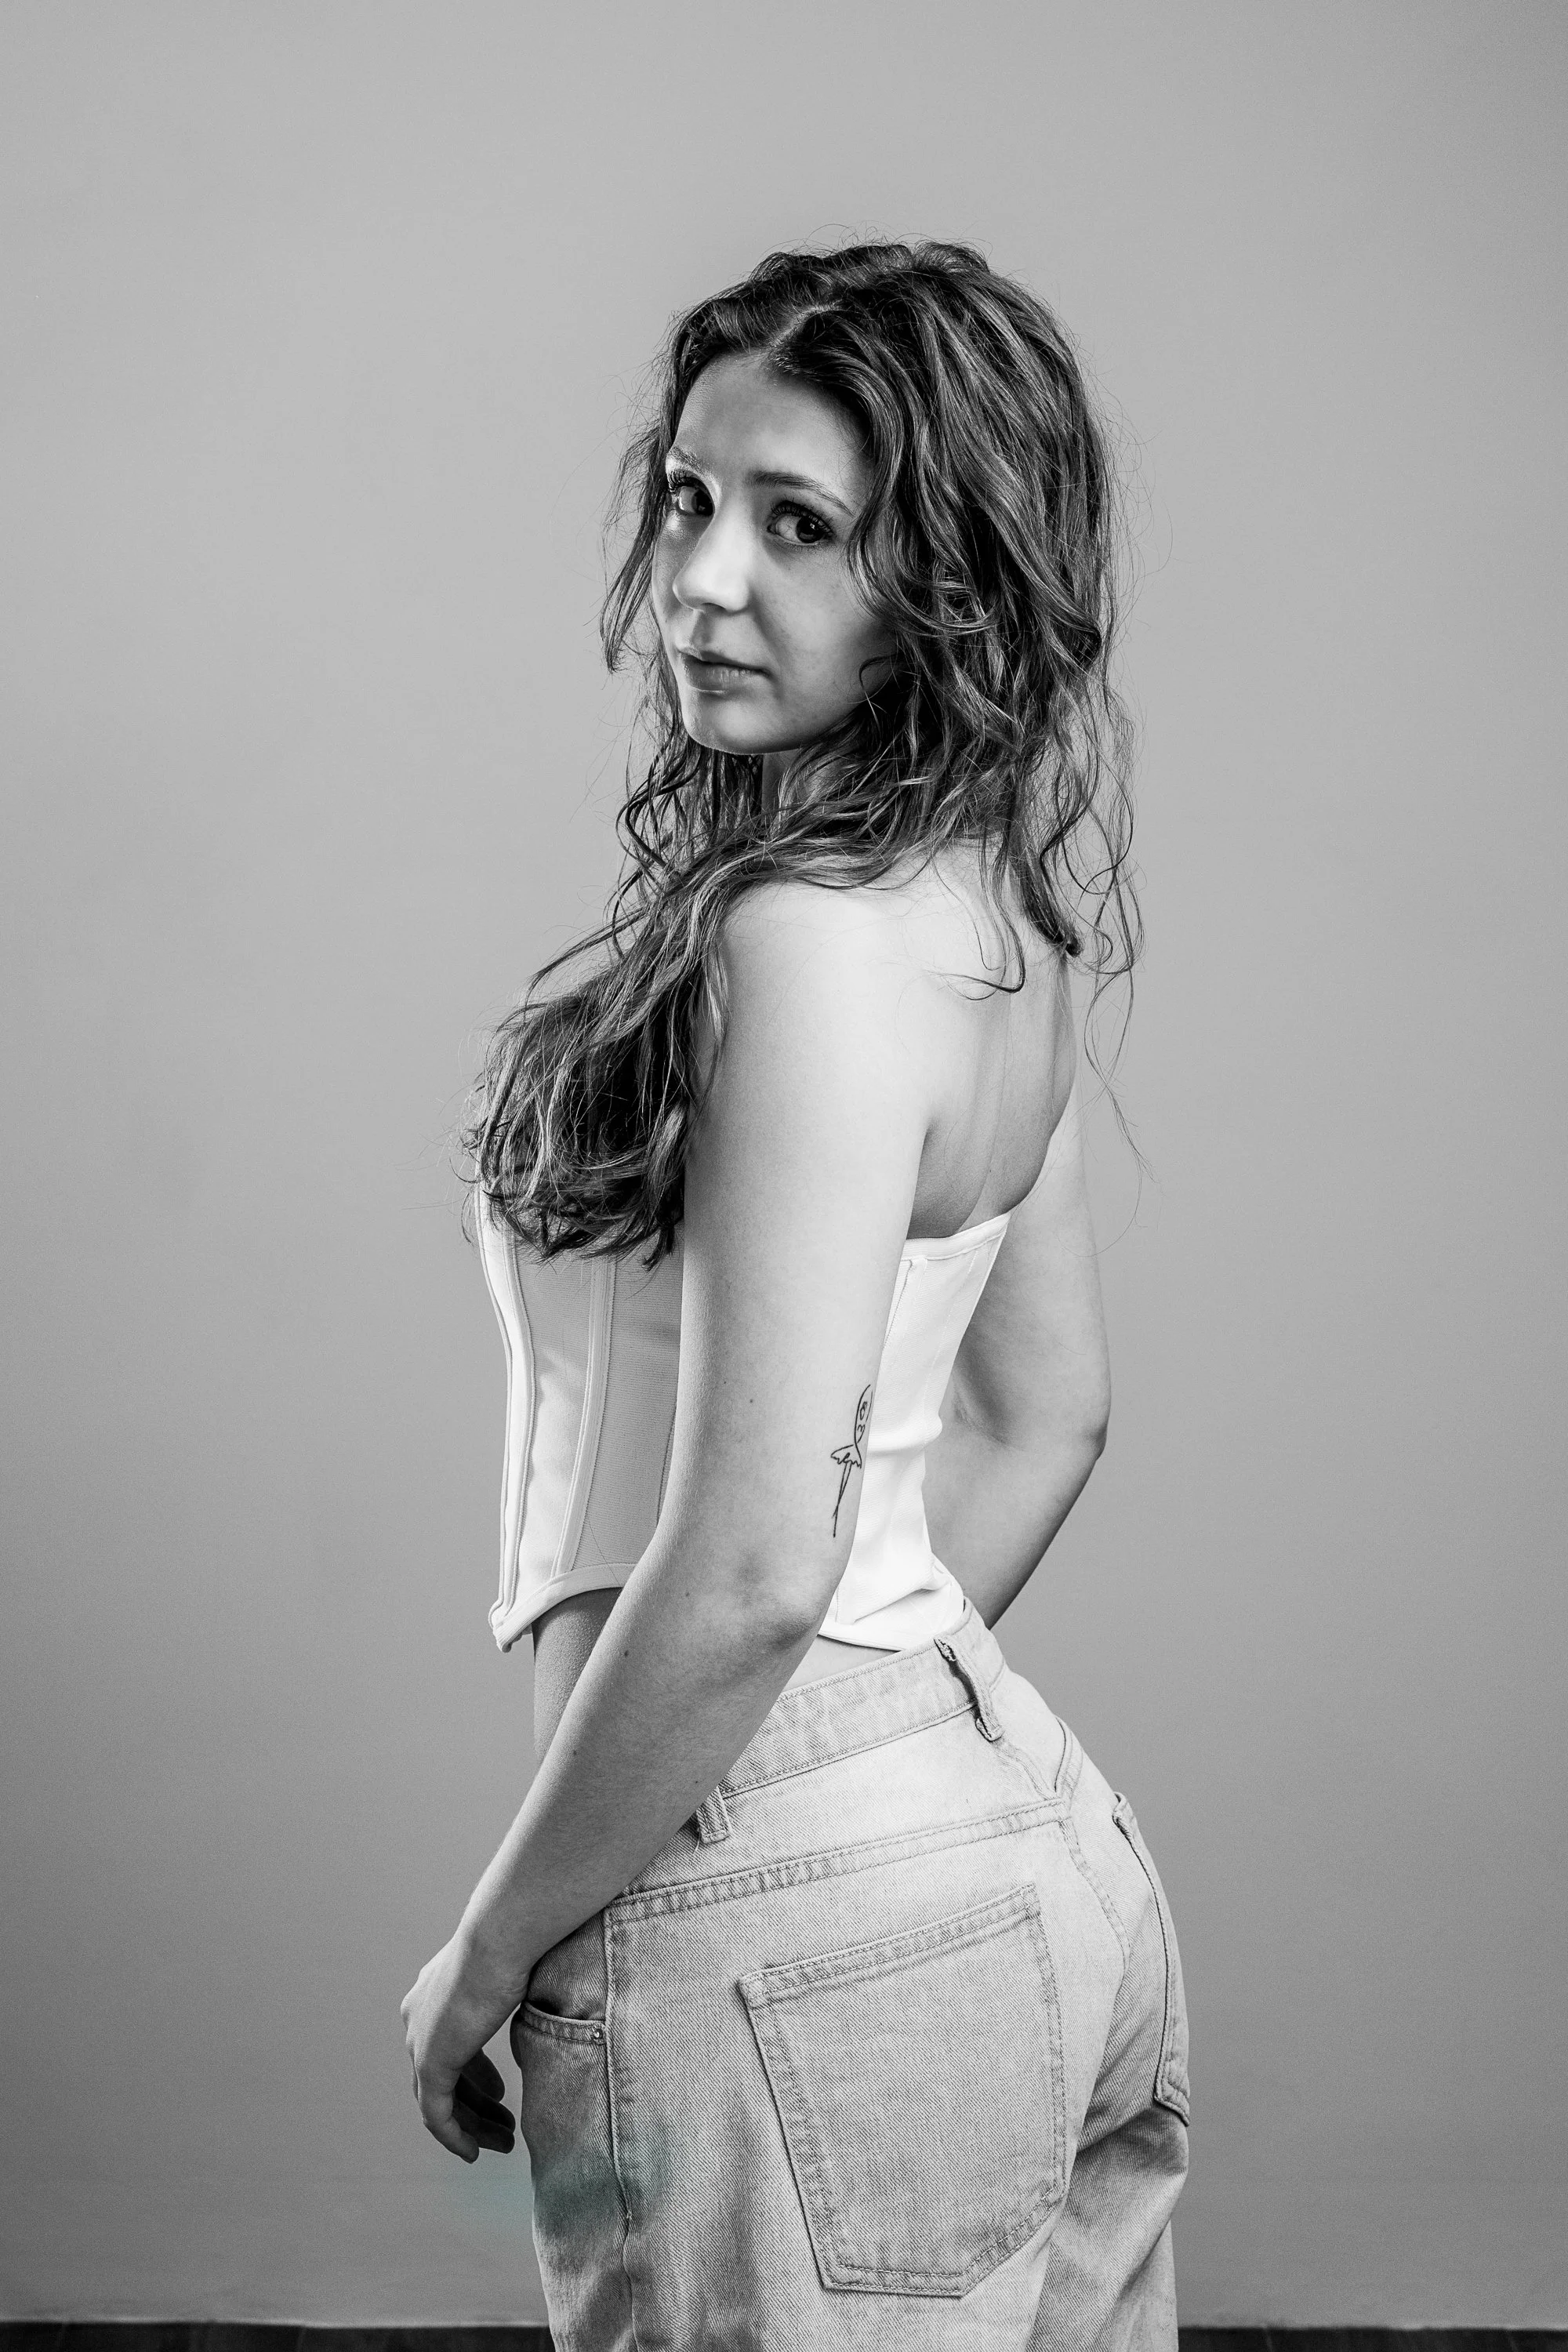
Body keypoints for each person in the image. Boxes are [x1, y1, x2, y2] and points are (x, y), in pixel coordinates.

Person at [401, 240, 1189, 2351]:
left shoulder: (808, 946)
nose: (705, 577)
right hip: (1024, 1842)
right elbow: (1048, 1419)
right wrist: (883, 1768)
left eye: (800, 523)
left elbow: (755, 1565)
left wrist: (500, 1944)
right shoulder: (992, 924)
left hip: (796, 1912)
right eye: (687, 497)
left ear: (949, 577)